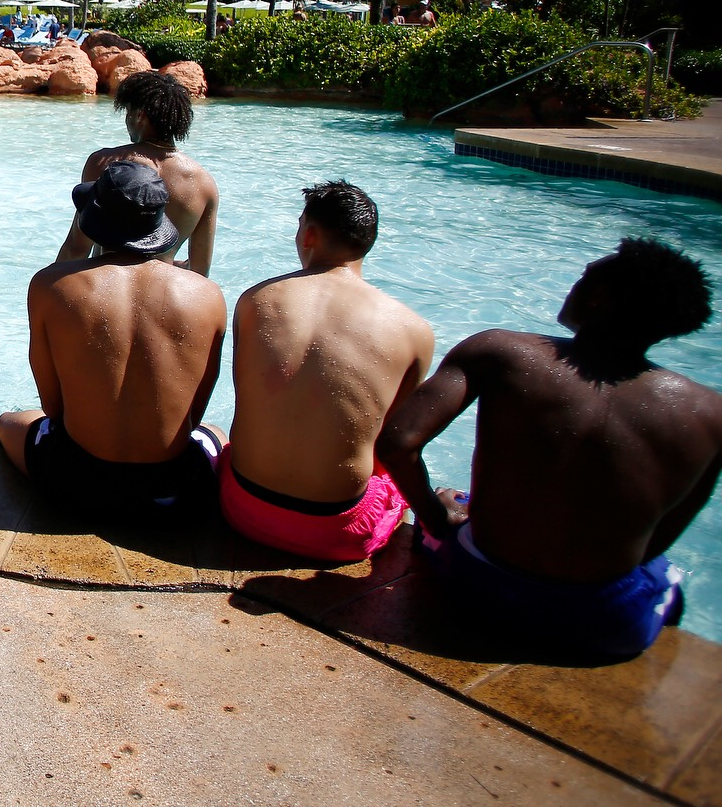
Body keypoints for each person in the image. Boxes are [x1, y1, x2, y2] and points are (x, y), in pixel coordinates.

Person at [379, 240, 722, 660]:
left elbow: (398, 442)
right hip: (602, 625)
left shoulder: (500, 352)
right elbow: (659, 536)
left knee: (452, 499)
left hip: (475, 588)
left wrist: (435, 521)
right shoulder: (709, 413)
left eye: (584, 276)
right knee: (666, 576)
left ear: (598, 296)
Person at [0, 163, 228, 522]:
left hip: (75, 484)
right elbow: (193, 416)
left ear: (95, 220)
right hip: (172, 489)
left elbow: (53, 409)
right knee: (215, 432)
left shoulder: (50, 286)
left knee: (8, 422)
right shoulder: (207, 295)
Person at [222, 181, 434, 562]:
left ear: (311, 235)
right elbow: (390, 441)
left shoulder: (257, 299)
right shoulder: (413, 330)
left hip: (242, 507)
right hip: (337, 532)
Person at [57, 71, 220, 276]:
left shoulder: (106, 163)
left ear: (140, 115)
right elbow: (199, 270)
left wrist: (48, 288)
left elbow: (77, 248)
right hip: (161, 295)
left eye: (127, 112)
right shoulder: (204, 183)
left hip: (104, 288)